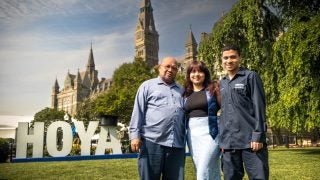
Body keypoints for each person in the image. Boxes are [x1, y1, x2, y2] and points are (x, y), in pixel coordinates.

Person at [129, 57, 186, 180]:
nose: (170, 70)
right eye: (167, 66)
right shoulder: (147, 86)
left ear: (177, 71)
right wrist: (134, 136)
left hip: (176, 145)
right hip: (151, 142)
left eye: (174, 68)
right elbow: (138, 111)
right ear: (159, 67)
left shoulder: (182, 91)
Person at [219, 44, 269, 180]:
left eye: (233, 57)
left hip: (251, 142)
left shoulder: (251, 76)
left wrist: (258, 135)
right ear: (222, 60)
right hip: (228, 143)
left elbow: (259, 107)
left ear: (240, 58)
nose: (229, 61)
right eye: (225, 58)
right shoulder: (221, 84)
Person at [183, 60, 221, 180]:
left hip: (211, 133)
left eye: (200, 71)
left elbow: (227, 109)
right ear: (189, 75)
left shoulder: (213, 89)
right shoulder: (185, 94)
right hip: (193, 136)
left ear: (205, 74)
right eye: (193, 72)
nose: (196, 74)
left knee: (202, 172)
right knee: (208, 169)